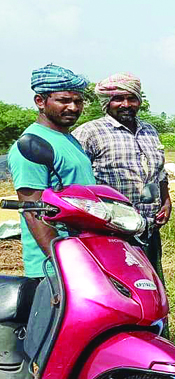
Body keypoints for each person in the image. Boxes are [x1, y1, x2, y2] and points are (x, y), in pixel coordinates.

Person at [73, 73, 172, 282]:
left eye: (132, 98)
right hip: (110, 232)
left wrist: (166, 199)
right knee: (119, 289)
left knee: (152, 287)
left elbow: (159, 171)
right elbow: (76, 184)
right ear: (107, 103)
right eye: (118, 99)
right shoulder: (89, 133)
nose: (126, 104)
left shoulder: (149, 131)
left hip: (148, 227)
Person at [9, 64, 95, 279]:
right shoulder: (31, 145)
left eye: (78, 101)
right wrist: (62, 264)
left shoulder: (67, 138)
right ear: (40, 101)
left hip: (83, 253)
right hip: (54, 267)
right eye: (64, 100)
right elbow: (34, 211)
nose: (73, 107)